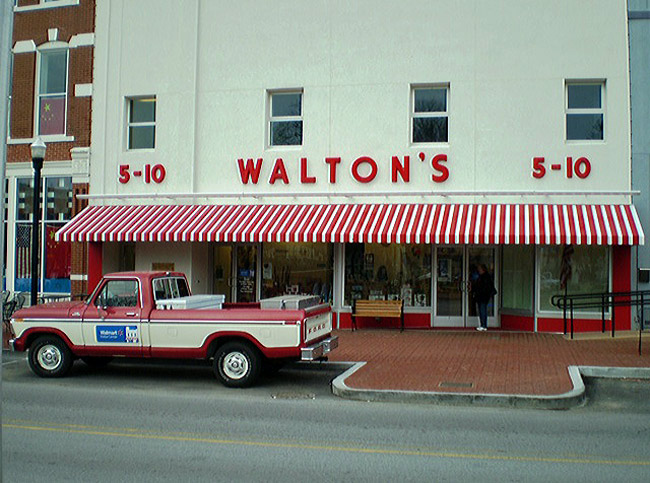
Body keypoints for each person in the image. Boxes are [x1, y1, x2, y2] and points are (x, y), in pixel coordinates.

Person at [472, 264, 496, 331]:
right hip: (482, 296)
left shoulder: (484, 277)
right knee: (481, 310)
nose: (478, 270)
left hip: (483, 296)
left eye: (479, 269)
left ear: (483, 269)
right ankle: (483, 325)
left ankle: (483, 325)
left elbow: (484, 287)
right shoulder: (483, 276)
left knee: (482, 310)